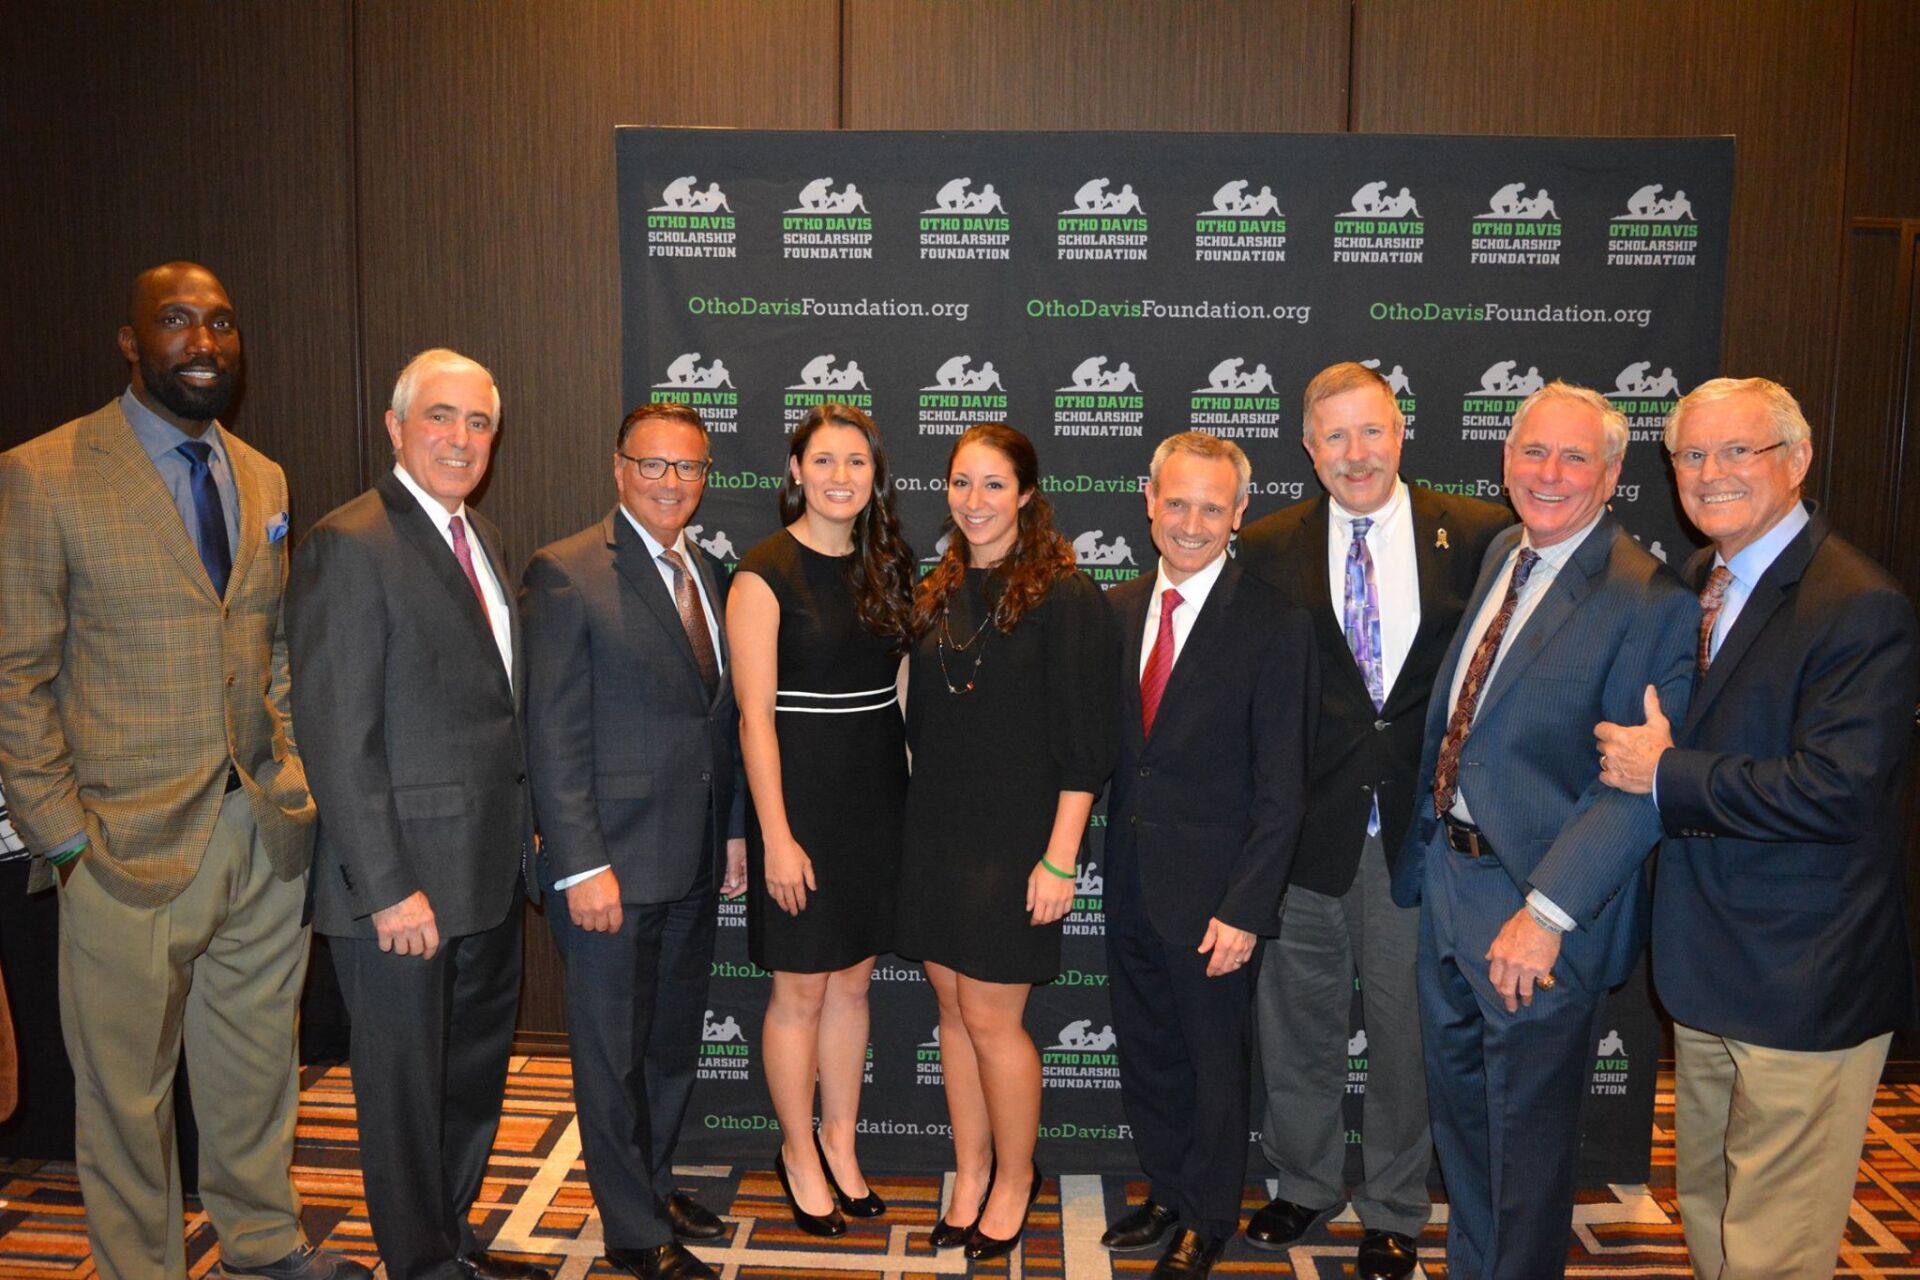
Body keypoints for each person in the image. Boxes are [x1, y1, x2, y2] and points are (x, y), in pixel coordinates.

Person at [0, 262, 365, 1280]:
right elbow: (14, 674)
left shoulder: (264, 476)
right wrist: (64, 837)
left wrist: (290, 778)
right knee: (126, 1096)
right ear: (130, 341)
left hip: (260, 831)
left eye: (220, 321)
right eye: (175, 320)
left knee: (255, 1072)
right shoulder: (44, 472)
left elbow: (273, 652)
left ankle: (260, 1244)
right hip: (118, 848)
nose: (202, 339)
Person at [1593, 377, 1920, 1280]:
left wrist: (1666, 774)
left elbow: (1837, 791)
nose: (1710, 473)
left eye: (1739, 451)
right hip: (1706, 968)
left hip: (1802, 977)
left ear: (1798, 460)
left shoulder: (1858, 603)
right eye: (1692, 455)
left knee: (1774, 1239)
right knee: (1709, 1201)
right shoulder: (1701, 580)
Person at [1393, 382, 1696, 1280]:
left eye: (1575, 458)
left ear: (1611, 477)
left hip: (1537, 914)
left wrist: (1546, 915)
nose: (1549, 474)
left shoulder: (1649, 601)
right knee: (1469, 1139)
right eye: (1533, 452)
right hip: (1449, 887)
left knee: (1524, 1156)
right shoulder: (1502, 552)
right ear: (1506, 461)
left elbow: (1634, 789)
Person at [1235, 364, 1511, 1279]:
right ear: (1310, 452)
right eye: (1334, 438)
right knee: (1298, 1023)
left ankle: (1395, 1203)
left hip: (1419, 834)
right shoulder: (1268, 544)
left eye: (1371, 432)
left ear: (1402, 432)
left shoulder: (1477, 534)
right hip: (1305, 832)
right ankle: (1304, 1184)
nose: (1356, 454)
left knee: (1405, 1035)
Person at [287, 349, 548, 1280]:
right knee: (402, 1096)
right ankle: (421, 1264)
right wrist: (386, 888)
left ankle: (455, 1243)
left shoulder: (483, 538)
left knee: (470, 1079)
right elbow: (335, 735)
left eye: (478, 423)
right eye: (441, 417)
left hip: (486, 871)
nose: (461, 438)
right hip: (401, 891)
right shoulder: (350, 544)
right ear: (396, 428)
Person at [521, 403, 748, 1280]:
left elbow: (717, 724)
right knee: (610, 1053)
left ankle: (651, 1185)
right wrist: (580, 863)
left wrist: (730, 836)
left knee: (667, 1044)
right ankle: (628, 1229)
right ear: (619, 470)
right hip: (607, 866)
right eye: (653, 466)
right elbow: (552, 735)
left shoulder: (711, 571)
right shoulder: (568, 572)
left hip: (690, 859)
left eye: (688, 468)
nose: (671, 483)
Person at [894, 423, 1119, 1260]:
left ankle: (1016, 1180)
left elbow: (1087, 746)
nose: (975, 501)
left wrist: (1060, 856)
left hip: (1018, 838)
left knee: (994, 1021)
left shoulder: (1066, 596)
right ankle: (972, 1168)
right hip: (937, 831)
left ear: (1027, 494)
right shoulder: (938, 587)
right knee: (951, 1012)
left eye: (994, 485)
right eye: (961, 483)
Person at [1099, 432, 1314, 1280]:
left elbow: (1283, 787)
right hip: (1129, 882)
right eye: (1177, 502)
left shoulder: (1275, 623)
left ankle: (1210, 1214)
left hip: (1219, 896)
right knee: (1148, 1049)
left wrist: (1245, 909)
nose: (1191, 523)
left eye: (1212, 508)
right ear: (1149, 501)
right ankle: (1166, 1189)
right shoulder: (1114, 610)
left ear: (1239, 515)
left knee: (1215, 1064)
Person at [726, 403, 916, 1236]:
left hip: (875, 798)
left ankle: (841, 1142)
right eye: (825, 461)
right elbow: (754, 718)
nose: (842, 477)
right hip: (798, 801)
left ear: (876, 477)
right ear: (795, 470)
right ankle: (797, 1151)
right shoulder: (762, 573)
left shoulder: (890, 565)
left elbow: (901, 688)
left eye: (858, 463)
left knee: (854, 981)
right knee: (799, 988)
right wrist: (776, 835)